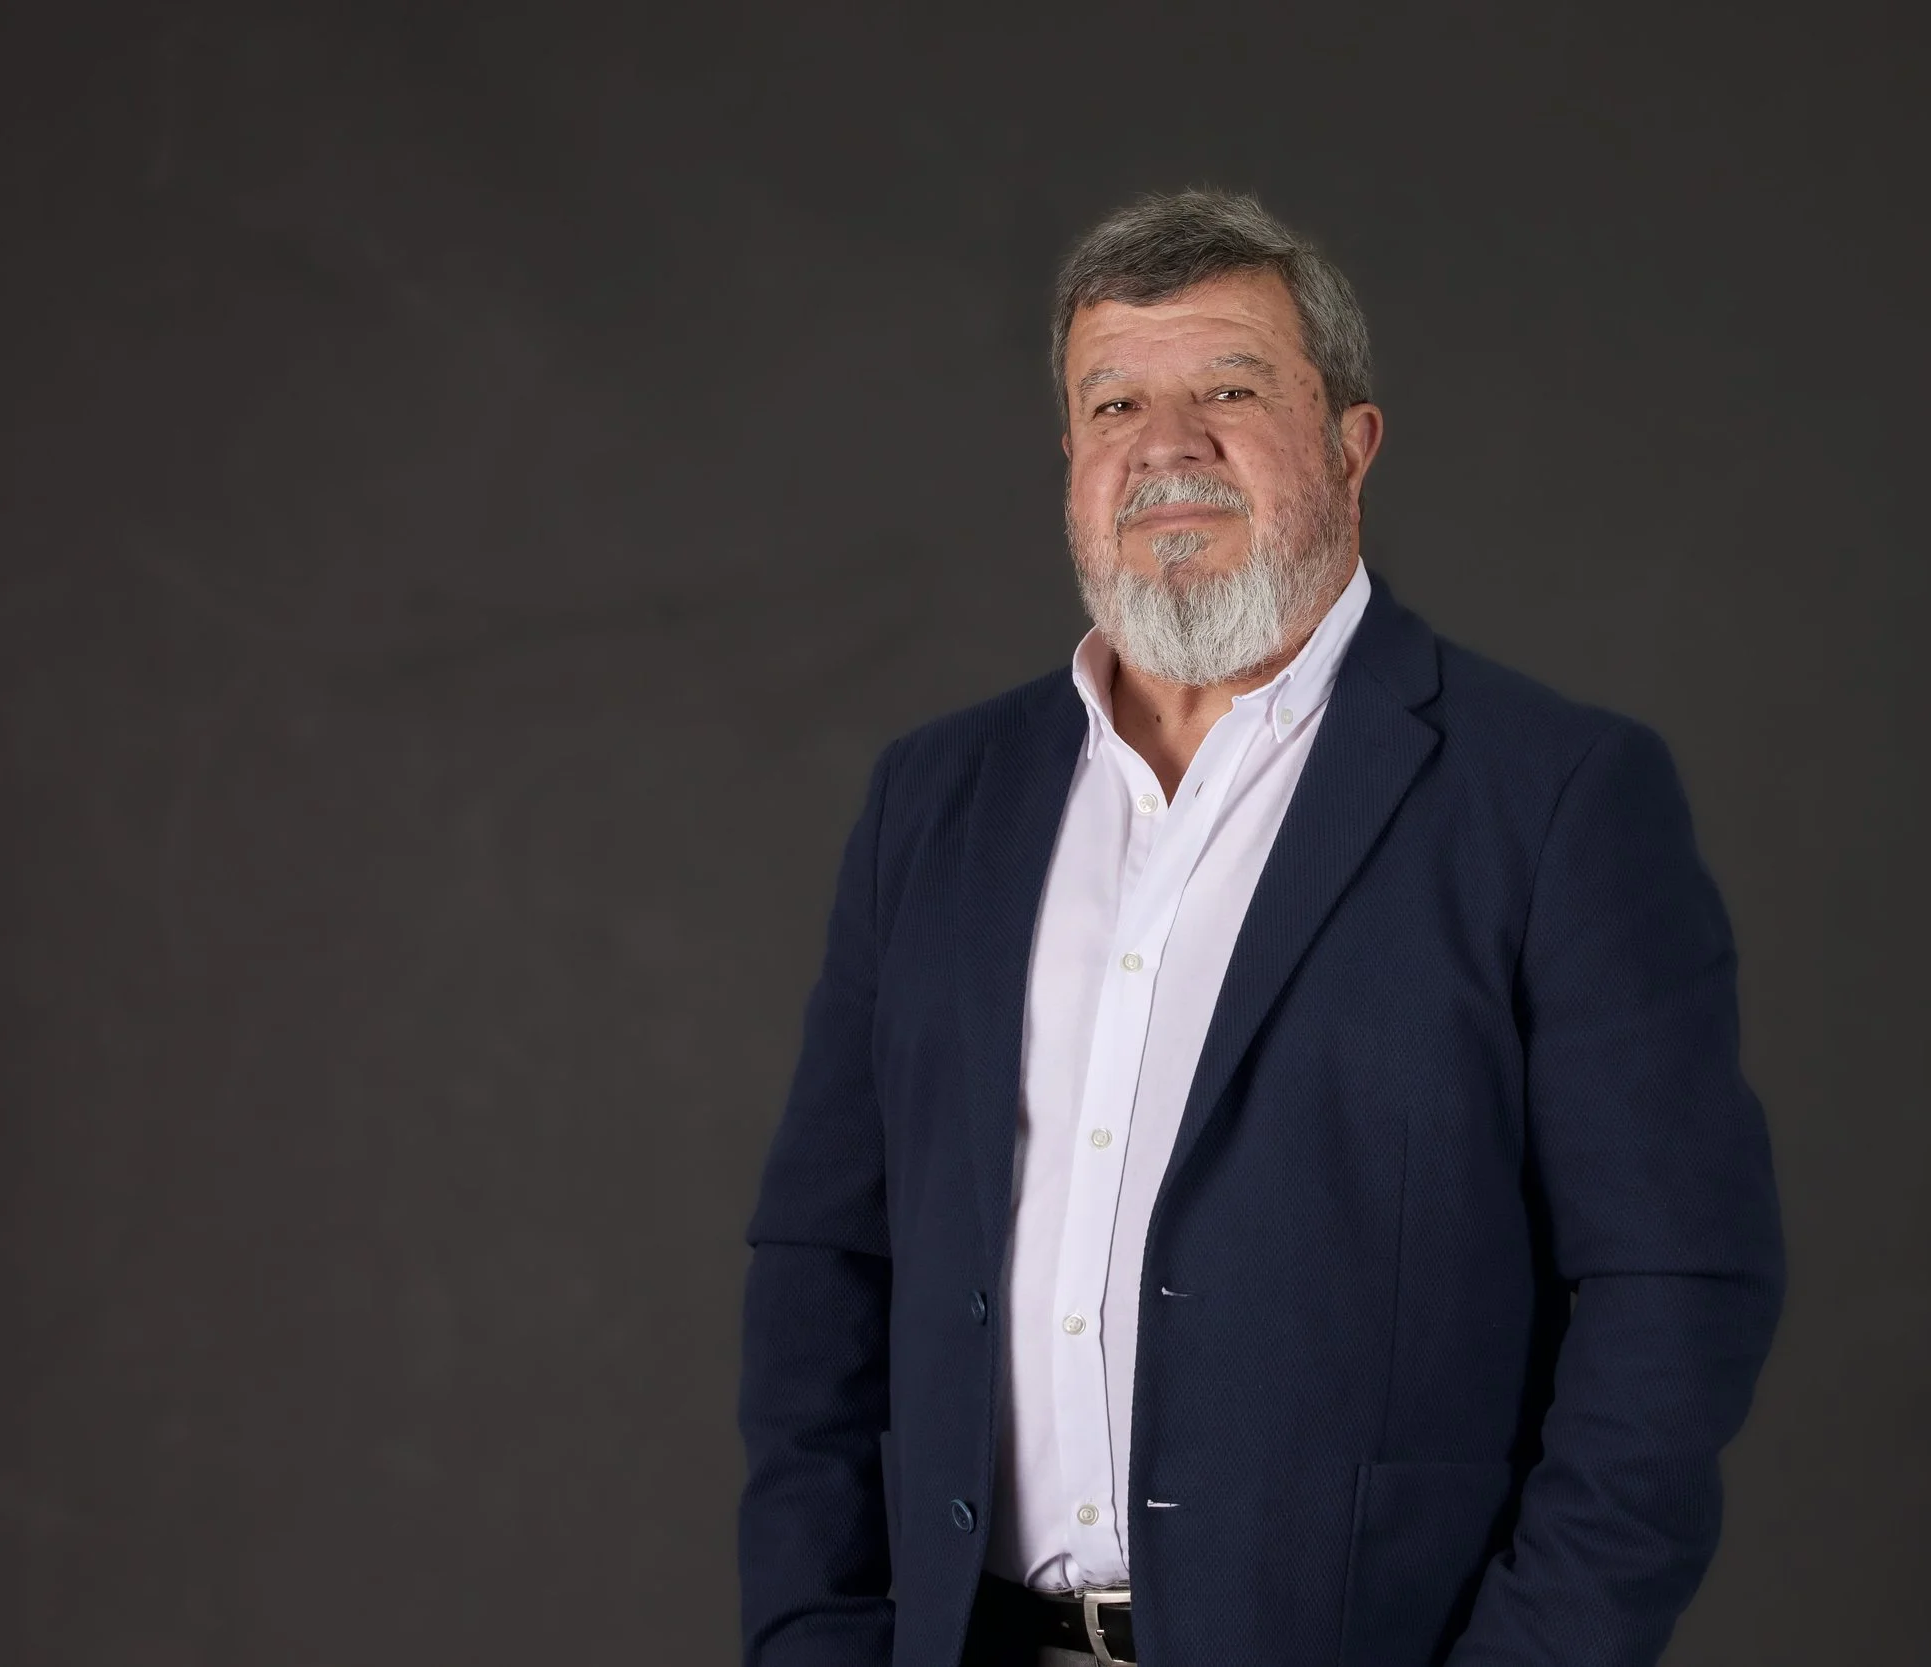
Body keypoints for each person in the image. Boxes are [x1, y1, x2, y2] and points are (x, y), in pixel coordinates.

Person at [738, 189, 1784, 1667]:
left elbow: (1673, 1293)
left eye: (1230, 388)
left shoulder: (1552, 797)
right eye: (1117, 402)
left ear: (1352, 445)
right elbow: (823, 1263)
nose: (1167, 444)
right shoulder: (937, 799)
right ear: (1072, 461)